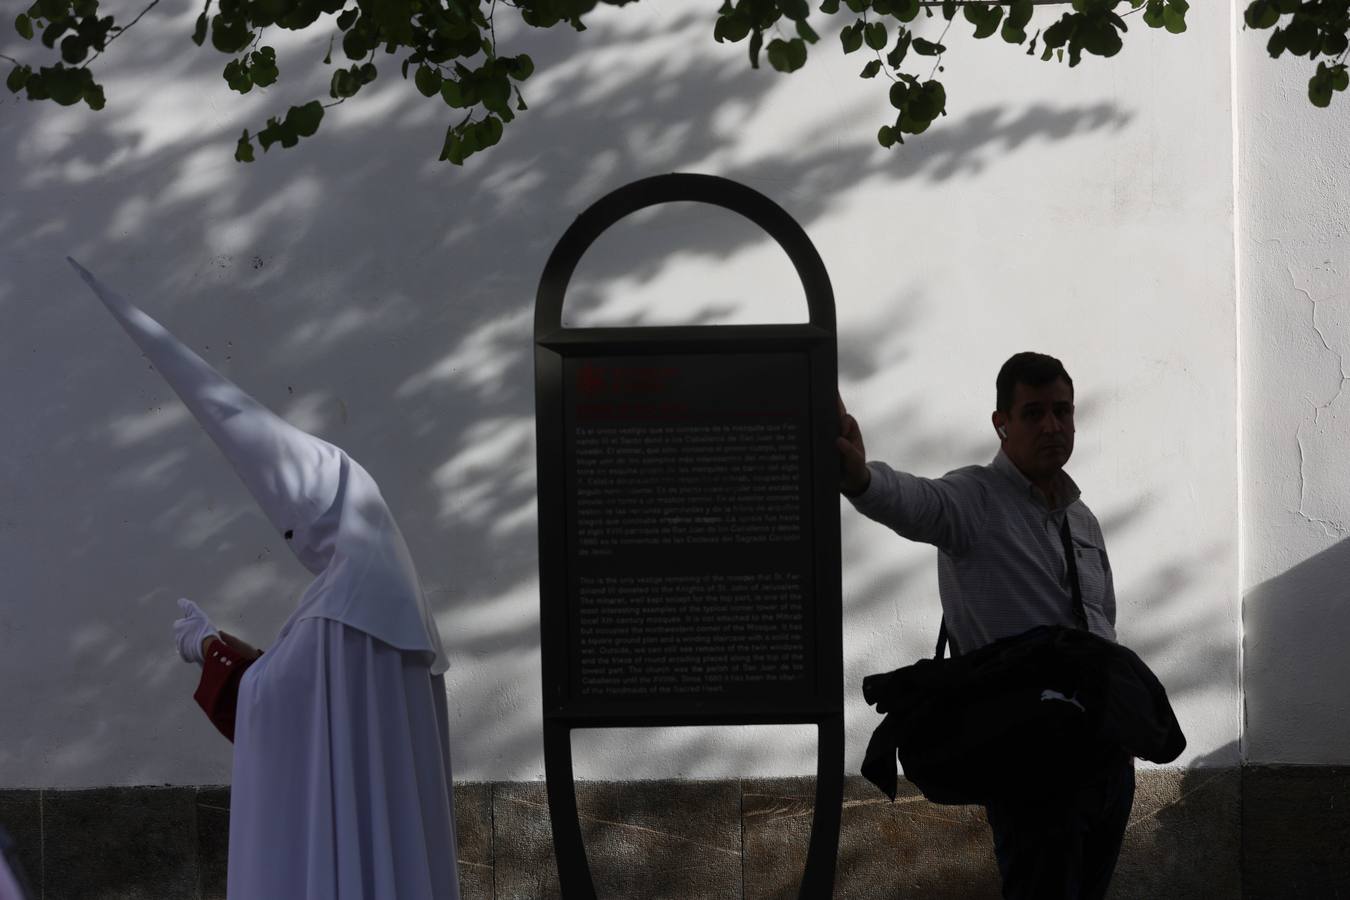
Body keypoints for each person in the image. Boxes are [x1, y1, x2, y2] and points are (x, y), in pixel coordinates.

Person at [69, 259, 462, 900]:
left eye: (294, 531)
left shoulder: (337, 608)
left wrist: (209, 650)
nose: (297, 545)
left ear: (327, 517)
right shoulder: (400, 605)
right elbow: (316, 706)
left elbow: (273, 708)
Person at [837, 351, 1133, 900]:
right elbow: (913, 501)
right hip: (1031, 763)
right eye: (1033, 413)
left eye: (1062, 412)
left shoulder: (1082, 519)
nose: (1052, 426)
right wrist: (858, 477)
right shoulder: (974, 498)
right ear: (1001, 424)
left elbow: (1103, 628)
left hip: (1106, 757)